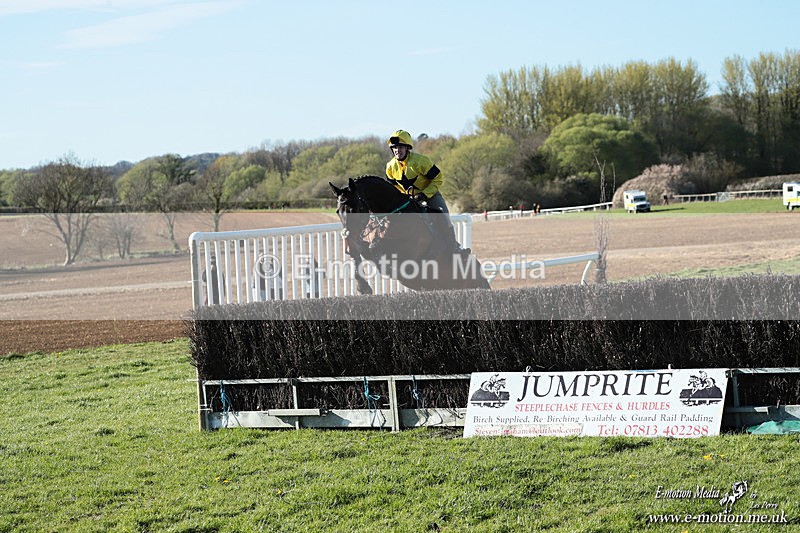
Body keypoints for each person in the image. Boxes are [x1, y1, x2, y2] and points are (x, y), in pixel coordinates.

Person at [385, 129, 461, 251]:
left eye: (400, 147)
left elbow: (438, 178)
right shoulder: (390, 167)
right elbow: (392, 187)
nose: (397, 150)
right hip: (408, 199)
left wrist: (424, 195)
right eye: (394, 148)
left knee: (444, 218)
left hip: (430, 196)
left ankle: (454, 248)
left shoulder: (421, 161)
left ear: (407, 148)